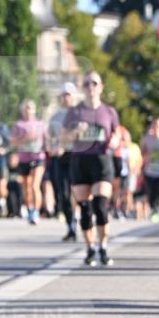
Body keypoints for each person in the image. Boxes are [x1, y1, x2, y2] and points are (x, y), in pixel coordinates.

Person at [62, 72, 120, 266]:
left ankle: (103, 247)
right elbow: (63, 139)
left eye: (94, 83)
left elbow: (118, 134)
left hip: (102, 159)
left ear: (101, 87)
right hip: (80, 160)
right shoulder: (74, 112)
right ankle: (89, 248)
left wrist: (114, 141)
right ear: (82, 88)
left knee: (100, 206)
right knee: (85, 209)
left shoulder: (109, 111)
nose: (90, 87)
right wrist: (75, 132)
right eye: (86, 84)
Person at [46, 83, 78, 240]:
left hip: (77, 156)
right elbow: (50, 138)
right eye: (63, 95)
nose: (66, 98)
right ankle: (71, 227)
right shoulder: (55, 117)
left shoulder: (81, 113)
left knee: (78, 192)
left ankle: (81, 220)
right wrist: (52, 147)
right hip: (60, 158)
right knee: (63, 194)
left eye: (69, 95)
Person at [10, 99, 47, 225]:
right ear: (22, 110)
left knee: (35, 185)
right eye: (26, 108)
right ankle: (30, 209)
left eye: (30, 108)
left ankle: (36, 211)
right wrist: (25, 138)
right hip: (24, 158)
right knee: (26, 188)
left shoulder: (41, 124)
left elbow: (47, 139)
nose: (28, 110)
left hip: (38, 157)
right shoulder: (18, 125)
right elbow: (12, 142)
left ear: (34, 110)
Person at [141, 118, 159, 222]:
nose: (156, 128)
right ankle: (155, 210)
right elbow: (142, 153)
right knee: (151, 194)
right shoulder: (146, 139)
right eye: (155, 125)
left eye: (158, 126)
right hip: (150, 171)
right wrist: (147, 156)